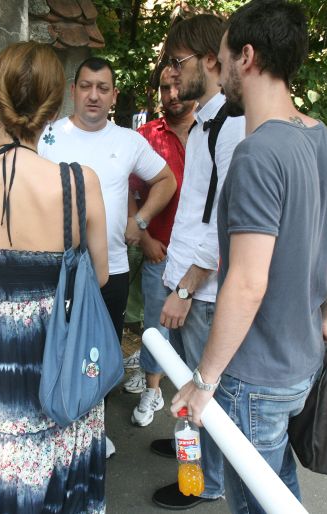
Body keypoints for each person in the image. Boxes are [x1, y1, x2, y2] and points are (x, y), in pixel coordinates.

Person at [171, 2, 327, 513]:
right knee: (278, 493)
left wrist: (203, 380)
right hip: (304, 365)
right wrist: (324, 320)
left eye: (225, 54)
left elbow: (248, 282)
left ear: (247, 56)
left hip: (255, 378)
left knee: (259, 503)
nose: (220, 66)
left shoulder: (258, 153)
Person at [0, 42, 109, 514]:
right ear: (53, 109)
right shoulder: (80, 182)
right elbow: (103, 275)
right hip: (60, 347)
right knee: (59, 453)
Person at [38, 56, 176, 458]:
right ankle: (56, 425)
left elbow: (165, 179)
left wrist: (143, 219)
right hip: (55, 267)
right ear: (72, 90)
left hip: (109, 269)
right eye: (86, 86)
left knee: (99, 352)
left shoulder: (129, 142)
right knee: (56, 347)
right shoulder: (48, 136)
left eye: (102, 88)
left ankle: (93, 428)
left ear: (114, 95)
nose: (93, 95)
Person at [149, 14, 246, 511]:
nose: (171, 71)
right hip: (189, 283)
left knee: (207, 387)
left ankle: (208, 480)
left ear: (210, 60)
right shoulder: (209, 120)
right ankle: (192, 445)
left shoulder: (231, 125)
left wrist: (186, 288)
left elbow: (227, 220)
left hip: (202, 292)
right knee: (191, 380)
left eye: (177, 60)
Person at [126, 66, 196, 426]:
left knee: (198, 329)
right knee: (157, 324)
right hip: (161, 252)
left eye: (177, 86)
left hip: (205, 257)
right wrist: (146, 237)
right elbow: (131, 191)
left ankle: (196, 391)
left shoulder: (214, 132)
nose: (171, 95)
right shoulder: (147, 136)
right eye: (165, 88)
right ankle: (153, 388)